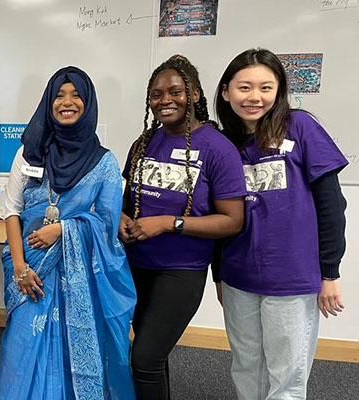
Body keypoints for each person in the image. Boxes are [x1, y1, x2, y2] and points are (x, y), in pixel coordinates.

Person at [214, 48, 348, 400]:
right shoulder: (223, 143)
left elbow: (332, 204)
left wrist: (330, 273)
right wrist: (219, 275)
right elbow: (217, 216)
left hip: (292, 276)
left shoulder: (300, 126)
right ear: (226, 92)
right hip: (239, 276)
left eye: (265, 88)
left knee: (287, 374)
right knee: (246, 366)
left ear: (279, 91)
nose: (254, 97)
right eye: (244, 87)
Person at [0, 66, 136, 399]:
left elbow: (106, 224)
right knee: (23, 348)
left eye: (76, 95)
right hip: (31, 272)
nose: (67, 102)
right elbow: (11, 211)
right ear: (49, 102)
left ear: (88, 103)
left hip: (82, 279)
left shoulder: (104, 163)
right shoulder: (28, 152)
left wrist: (63, 229)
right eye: (59, 95)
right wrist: (19, 269)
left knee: (77, 353)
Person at [119, 55, 246, 400]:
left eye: (175, 91)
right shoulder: (143, 143)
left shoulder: (218, 148)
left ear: (195, 94)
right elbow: (125, 200)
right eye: (156, 94)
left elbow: (233, 220)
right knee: (151, 356)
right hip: (135, 265)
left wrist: (169, 224)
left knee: (144, 357)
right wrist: (121, 218)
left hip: (181, 271)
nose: (165, 100)